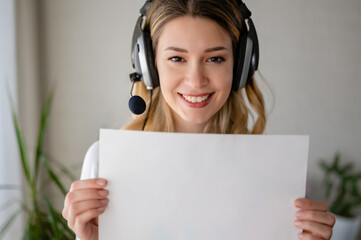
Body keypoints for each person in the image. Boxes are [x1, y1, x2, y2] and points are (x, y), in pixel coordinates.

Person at [62, 0, 336, 239]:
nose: (196, 81)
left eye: (215, 58)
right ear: (148, 65)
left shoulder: (271, 175)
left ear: (241, 66)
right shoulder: (105, 164)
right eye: (177, 58)